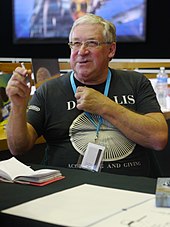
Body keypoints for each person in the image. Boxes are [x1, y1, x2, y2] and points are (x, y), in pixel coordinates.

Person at [6, 13, 168, 177]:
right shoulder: (49, 90)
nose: (81, 51)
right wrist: (18, 106)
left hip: (132, 186)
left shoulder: (136, 82)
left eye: (91, 43)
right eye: (76, 44)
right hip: (66, 188)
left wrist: (104, 106)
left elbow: (158, 138)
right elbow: (18, 147)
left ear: (111, 50)